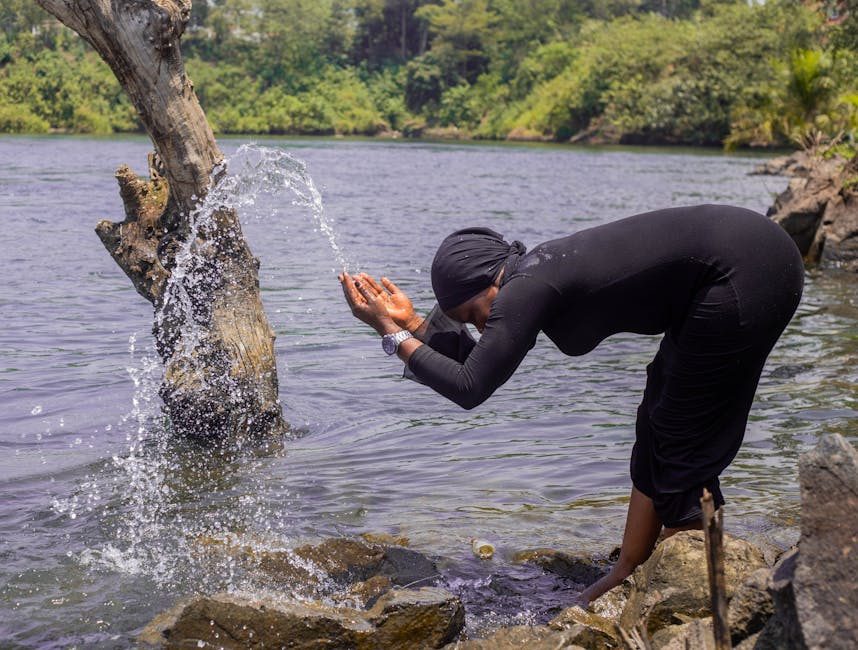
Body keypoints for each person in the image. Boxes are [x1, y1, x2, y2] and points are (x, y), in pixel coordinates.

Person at [338, 204, 803, 603]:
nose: (479, 327)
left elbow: (470, 387)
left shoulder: (529, 286)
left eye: (471, 316)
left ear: (488, 286)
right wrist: (416, 323)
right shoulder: (529, 277)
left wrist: (391, 333)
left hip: (745, 268)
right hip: (744, 260)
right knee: (658, 416)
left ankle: (690, 585)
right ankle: (628, 569)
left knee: (681, 433)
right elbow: (479, 362)